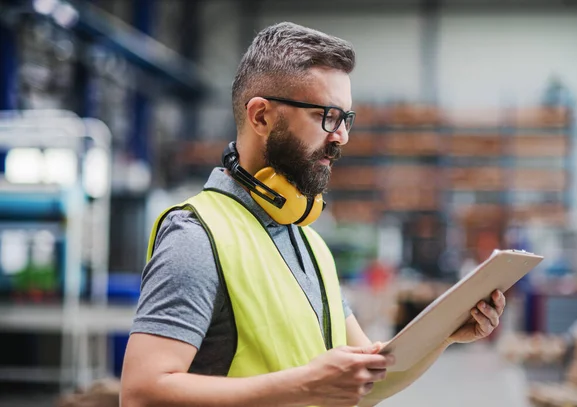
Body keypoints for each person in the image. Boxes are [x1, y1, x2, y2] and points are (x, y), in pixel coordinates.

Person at [121, 22, 506, 407]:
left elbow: (372, 381)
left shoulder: (309, 244)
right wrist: (304, 385)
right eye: (328, 116)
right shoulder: (197, 236)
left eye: (346, 119)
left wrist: (446, 333)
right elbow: (140, 395)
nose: (342, 136)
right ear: (261, 117)